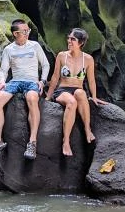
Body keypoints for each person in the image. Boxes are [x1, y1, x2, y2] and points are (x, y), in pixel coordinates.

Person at [0, 19, 50, 161]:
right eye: (24, 31)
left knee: (32, 98)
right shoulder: (9, 49)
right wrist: (2, 82)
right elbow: (3, 70)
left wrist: (42, 81)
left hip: (32, 81)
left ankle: (32, 142)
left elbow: (45, 65)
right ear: (16, 33)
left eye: (28, 31)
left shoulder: (35, 46)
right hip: (15, 81)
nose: (27, 33)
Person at [45, 28, 106, 156]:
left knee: (81, 93)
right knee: (72, 102)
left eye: (73, 39)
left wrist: (94, 97)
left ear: (81, 43)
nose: (69, 41)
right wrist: (48, 97)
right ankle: (66, 142)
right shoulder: (62, 56)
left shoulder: (88, 59)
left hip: (78, 90)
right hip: (62, 91)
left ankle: (87, 129)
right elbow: (55, 77)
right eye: (69, 38)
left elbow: (91, 80)